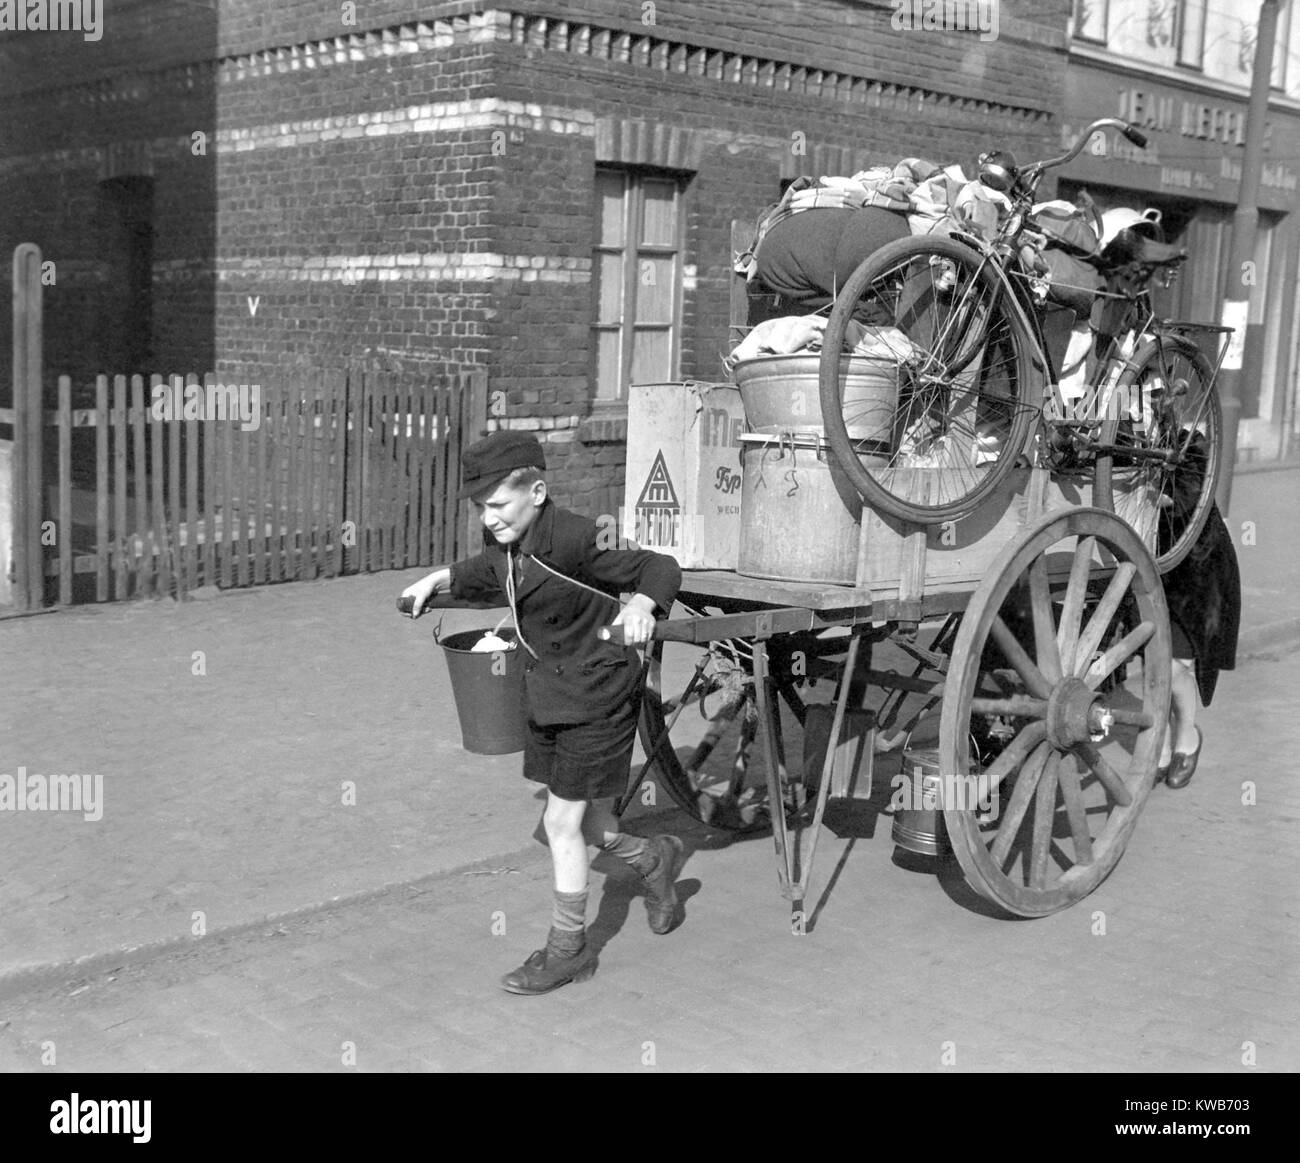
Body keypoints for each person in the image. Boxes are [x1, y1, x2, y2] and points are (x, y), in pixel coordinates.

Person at [400, 431, 685, 994]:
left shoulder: (578, 538)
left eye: (499, 505)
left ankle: (568, 951)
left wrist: (644, 606)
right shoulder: (508, 544)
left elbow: (659, 566)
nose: (489, 518)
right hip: (551, 697)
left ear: (537, 491)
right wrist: (437, 580)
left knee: (560, 823)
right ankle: (655, 859)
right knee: (595, 824)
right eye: (481, 508)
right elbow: (485, 574)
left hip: (599, 694)